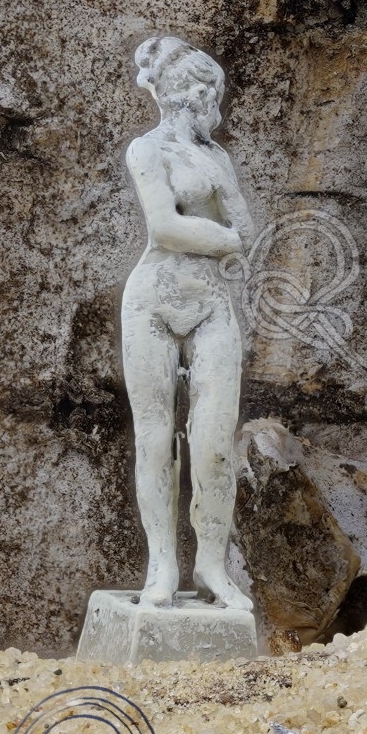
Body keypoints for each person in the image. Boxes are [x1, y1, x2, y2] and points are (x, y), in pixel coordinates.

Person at [120, 35, 254, 611]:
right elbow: (165, 229)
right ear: (190, 95)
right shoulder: (146, 150)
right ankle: (162, 566)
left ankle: (212, 565)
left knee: (215, 441)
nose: (215, 108)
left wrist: (223, 219)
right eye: (211, 95)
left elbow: (247, 229)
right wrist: (222, 237)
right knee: (154, 440)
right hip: (152, 301)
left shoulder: (217, 158)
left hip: (211, 303)